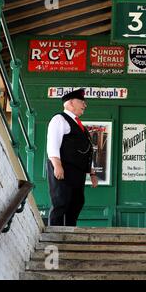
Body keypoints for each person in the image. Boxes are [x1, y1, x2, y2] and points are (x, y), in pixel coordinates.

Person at [46, 88, 98, 226]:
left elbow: (87, 150)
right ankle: (54, 236)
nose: (84, 105)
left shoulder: (80, 126)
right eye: (81, 101)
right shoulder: (59, 119)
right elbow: (53, 143)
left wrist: (92, 172)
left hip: (77, 172)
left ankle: (70, 234)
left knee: (76, 203)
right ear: (70, 103)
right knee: (60, 202)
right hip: (64, 169)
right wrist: (57, 165)